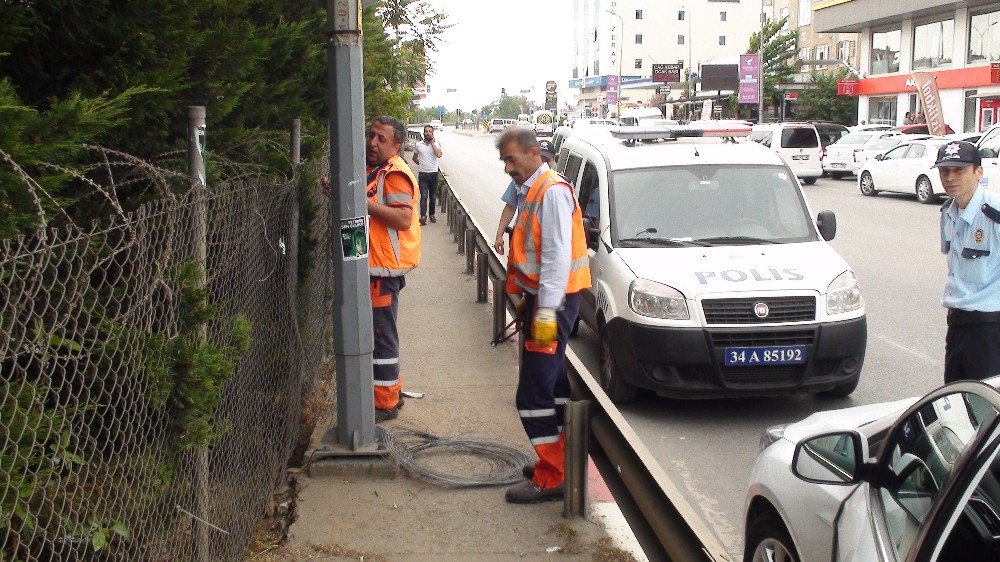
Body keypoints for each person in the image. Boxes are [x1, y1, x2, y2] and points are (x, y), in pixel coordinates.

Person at [495, 128, 591, 503]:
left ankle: (554, 476)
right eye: (503, 161)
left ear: (534, 154)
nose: (507, 168)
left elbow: (555, 260)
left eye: (512, 160)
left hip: (551, 306)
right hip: (544, 303)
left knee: (533, 393)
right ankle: (562, 460)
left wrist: (544, 316)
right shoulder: (532, 188)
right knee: (552, 387)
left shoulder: (550, 192)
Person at [365, 116, 422, 422]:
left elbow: (402, 219)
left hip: (382, 272)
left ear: (396, 146)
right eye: (371, 136)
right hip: (374, 267)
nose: (372, 143)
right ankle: (390, 393)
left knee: (381, 338)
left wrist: (358, 202)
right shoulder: (376, 169)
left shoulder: (396, 174)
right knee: (380, 334)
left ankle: (385, 403)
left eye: (381, 139)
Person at [936, 140, 1000, 383]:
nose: (951, 177)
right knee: (955, 400)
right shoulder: (948, 213)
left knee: (986, 409)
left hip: (989, 330)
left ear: (978, 172)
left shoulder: (995, 215)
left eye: (959, 170)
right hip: (957, 324)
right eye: (945, 171)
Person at [494, 139, 558, 255]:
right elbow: (510, 206)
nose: (543, 164)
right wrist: (499, 235)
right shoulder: (520, 181)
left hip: (545, 246)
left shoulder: (558, 187)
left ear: (554, 160)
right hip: (522, 241)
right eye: (540, 159)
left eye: (546, 160)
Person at [412, 124, 443, 225]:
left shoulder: (437, 144)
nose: (428, 133)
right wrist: (421, 164)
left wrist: (433, 144)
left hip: (433, 173)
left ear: (433, 133)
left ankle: (432, 215)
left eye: (430, 131)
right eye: (426, 131)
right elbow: (414, 158)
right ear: (423, 133)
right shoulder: (418, 145)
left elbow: (439, 155)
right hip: (423, 174)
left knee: (433, 196)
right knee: (424, 195)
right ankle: (423, 216)